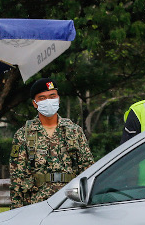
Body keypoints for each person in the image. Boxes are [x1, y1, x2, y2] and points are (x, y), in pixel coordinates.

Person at [9, 78, 95, 209]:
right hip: (38, 204)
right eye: (42, 98)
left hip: (70, 201)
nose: (48, 101)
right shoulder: (23, 135)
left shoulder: (74, 130)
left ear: (58, 99)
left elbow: (87, 169)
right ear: (35, 103)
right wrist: (16, 212)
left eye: (52, 96)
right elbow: (17, 177)